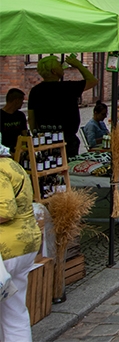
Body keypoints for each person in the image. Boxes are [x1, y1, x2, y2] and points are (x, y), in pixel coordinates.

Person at [0, 146, 42, 341]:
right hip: (26, 245)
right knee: (14, 311)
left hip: (5, 250)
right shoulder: (14, 166)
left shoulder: (0, 169)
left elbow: (5, 211)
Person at [28, 54, 99, 159]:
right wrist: (78, 65)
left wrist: (36, 135)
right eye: (59, 65)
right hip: (67, 139)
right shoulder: (67, 87)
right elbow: (93, 81)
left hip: (45, 139)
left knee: (48, 167)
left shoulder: (35, 91)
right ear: (54, 71)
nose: (62, 67)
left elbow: (31, 117)